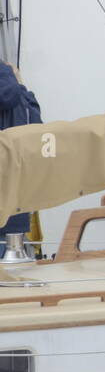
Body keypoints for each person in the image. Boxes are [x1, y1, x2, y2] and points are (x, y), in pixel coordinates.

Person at [0, 61, 41, 239]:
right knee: (12, 258)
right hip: (15, 204)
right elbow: (38, 134)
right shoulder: (24, 101)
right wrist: (20, 85)